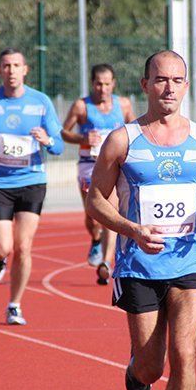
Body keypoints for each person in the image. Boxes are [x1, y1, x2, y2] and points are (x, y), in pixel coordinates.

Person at [85, 50, 196, 390]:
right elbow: (96, 201)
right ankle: (136, 370)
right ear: (145, 84)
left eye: (177, 80)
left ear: (186, 86)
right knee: (153, 367)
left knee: (184, 353)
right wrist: (132, 230)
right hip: (139, 264)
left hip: (190, 259)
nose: (169, 87)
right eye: (161, 79)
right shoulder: (122, 140)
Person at [0, 48, 63, 325]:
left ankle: (15, 304)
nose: (11, 70)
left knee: (23, 246)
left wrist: (46, 140)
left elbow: (58, 146)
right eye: (6, 66)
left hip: (32, 180)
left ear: (25, 70)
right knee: (2, 246)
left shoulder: (41, 102)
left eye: (16, 65)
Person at [61, 63, 136, 285]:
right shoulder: (81, 106)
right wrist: (82, 139)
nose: (103, 89)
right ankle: (95, 239)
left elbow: (134, 129)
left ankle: (105, 262)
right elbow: (64, 132)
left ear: (113, 84)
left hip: (113, 166)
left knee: (110, 211)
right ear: (92, 84)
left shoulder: (122, 105)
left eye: (107, 84)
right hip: (88, 165)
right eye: (98, 84)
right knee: (93, 216)